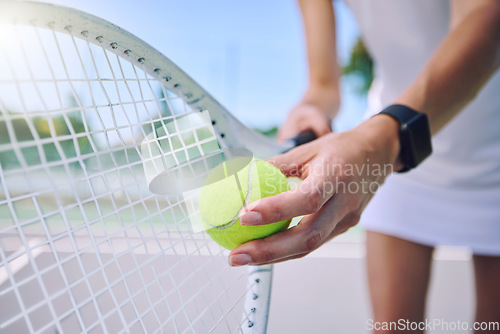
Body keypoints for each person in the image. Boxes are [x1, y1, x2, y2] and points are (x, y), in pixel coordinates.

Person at [228, 0, 500, 332]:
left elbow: (486, 20)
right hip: (392, 147)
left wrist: (384, 137)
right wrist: (311, 108)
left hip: (422, 138)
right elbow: (323, 86)